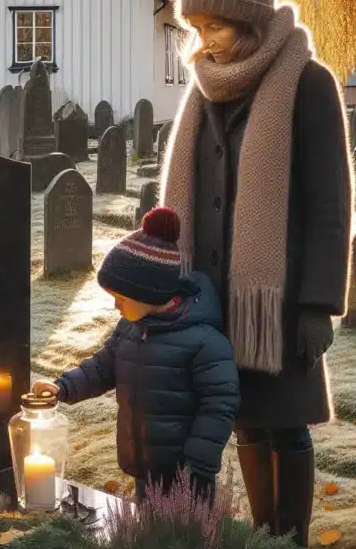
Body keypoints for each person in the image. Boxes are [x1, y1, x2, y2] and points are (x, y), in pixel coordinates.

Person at [156, 0, 354, 548]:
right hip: (214, 297)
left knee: (286, 426)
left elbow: (331, 204)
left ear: (248, 19)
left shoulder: (308, 84)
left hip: (281, 300)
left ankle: (286, 548)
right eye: (198, 28)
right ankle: (259, 545)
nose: (203, 41)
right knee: (243, 421)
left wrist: (319, 304)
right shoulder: (206, 92)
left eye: (213, 26)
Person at [32, 207, 239, 500]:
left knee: (188, 540)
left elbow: (219, 404)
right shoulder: (130, 328)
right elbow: (102, 368)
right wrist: (62, 387)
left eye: (121, 298)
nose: (116, 306)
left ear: (150, 294)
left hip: (188, 475)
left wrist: (199, 463)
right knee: (147, 539)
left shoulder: (204, 342)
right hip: (144, 464)